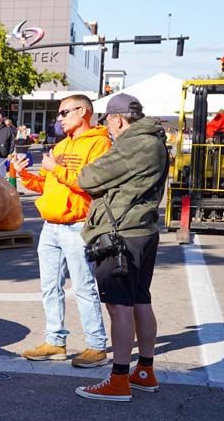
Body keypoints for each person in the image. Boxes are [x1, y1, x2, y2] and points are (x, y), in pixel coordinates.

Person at [72, 94, 170, 402]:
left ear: (117, 119)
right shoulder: (154, 140)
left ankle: (118, 379)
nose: (108, 130)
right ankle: (144, 370)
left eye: (109, 124)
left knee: (119, 305)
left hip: (121, 233)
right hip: (143, 231)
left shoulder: (133, 142)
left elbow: (88, 178)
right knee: (140, 299)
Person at [10, 93, 111, 366]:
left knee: (84, 287)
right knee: (49, 287)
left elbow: (93, 184)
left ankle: (96, 345)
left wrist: (55, 169)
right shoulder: (61, 145)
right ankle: (55, 341)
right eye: (59, 114)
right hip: (51, 226)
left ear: (83, 112)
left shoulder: (100, 144)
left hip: (77, 225)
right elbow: (44, 184)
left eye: (64, 112)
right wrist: (23, 174)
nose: (59, 118)